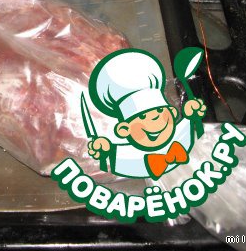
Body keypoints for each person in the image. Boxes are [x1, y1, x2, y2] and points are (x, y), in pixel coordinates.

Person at [87, 49, 206, 179]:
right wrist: (104, 151)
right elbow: (110, 161)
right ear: (124, 130)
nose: (155, 119)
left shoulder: (181, 135)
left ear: (172, 112)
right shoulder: (131, 157)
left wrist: (192, 114)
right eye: (143, 116)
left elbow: (194, 128)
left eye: (159, 111)